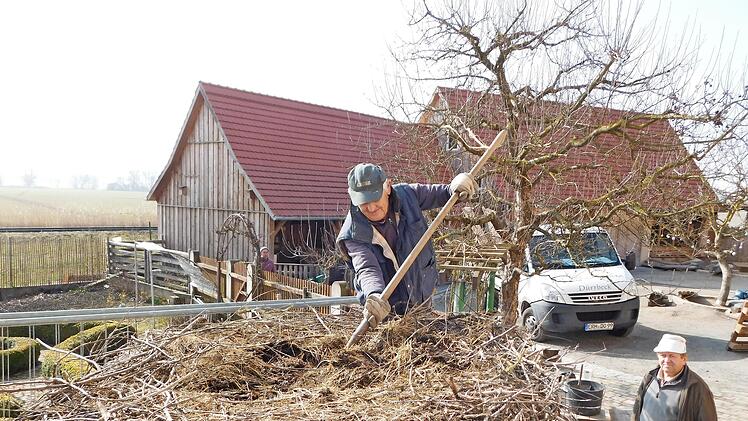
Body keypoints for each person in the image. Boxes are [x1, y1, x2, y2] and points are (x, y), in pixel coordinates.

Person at [336, 163, 477, 328]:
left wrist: (456, 186)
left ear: (388, 187)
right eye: (363, 202)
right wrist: (375, 296)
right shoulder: (353, 233)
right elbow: (367, 268)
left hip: (421, 294)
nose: (371, 208)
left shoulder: (408, 195)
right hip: (388, 313)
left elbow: (442, 194)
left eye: (375, 198)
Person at [632, 333, 717, 421]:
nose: (667, 360)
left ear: (684, 359)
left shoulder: (697, 387)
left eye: (672, 356)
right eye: (663, 355)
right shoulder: (649, 378)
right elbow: (636, 410)